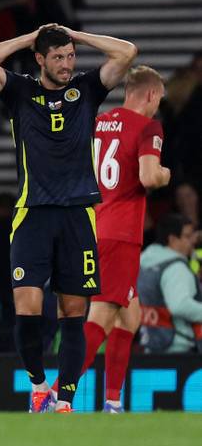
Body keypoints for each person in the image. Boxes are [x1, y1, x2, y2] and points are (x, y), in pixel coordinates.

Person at [0, 24, 137, 412]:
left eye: (70, 56)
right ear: (40, 59)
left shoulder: (87, 89)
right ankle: (38, 386)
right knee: (27, 309)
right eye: (58, 57)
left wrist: (78, 35)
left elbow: (127, 52)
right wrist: (29, 37)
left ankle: (64, 402)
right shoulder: (20, 92)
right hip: (33, 214)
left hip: (78, 215)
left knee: (73, 314)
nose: (67, 64)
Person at [67, 66, 169, 412]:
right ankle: (57, 395)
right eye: (158, 100)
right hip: (120, 233)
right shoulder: (148, 127)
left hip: (93, 227)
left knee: (130, 316)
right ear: (151, 95)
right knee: (101, 315)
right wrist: (165, 174)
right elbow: (149, 177)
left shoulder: (99, 123)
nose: (157, 106)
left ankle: (112, 402)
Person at [138, 214, 202, 354]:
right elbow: (180, 305)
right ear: (172, 239)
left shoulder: (144, 262)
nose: (192, 241)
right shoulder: (176, 268)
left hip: (150, 346)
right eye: (187, 236)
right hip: (180, 349)